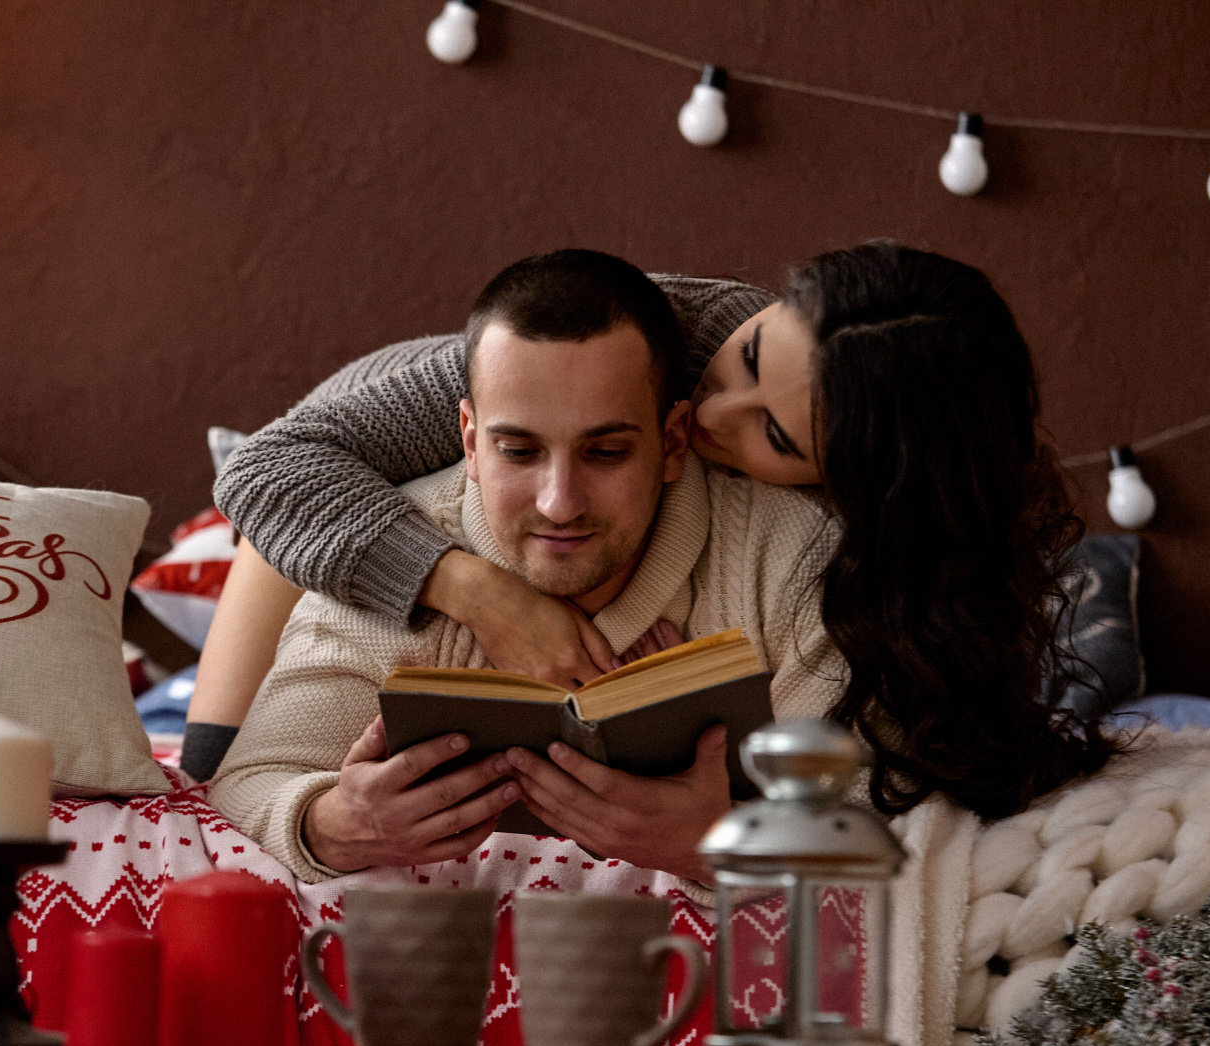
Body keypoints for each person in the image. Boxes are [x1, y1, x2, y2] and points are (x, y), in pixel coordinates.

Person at [196, 242, 1111, 821]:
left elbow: (896, 773)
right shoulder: (634, 338)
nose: (714, 410)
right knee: (206, 781)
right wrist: (483, 593)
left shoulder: (823, 537)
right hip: (324, 493)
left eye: (775, 436)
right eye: (750, 356)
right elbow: (266, 472)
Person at [208, 250, 842, 886]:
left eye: (607, 452)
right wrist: (331, 827)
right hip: (310, 488)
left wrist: (713, 847)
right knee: (202, 758)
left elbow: (876, 836)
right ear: (469, 440)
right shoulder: (378, 540)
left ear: (673, 441)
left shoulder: (798, 553)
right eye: (518, 451)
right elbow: (234, 801)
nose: (559, 504)